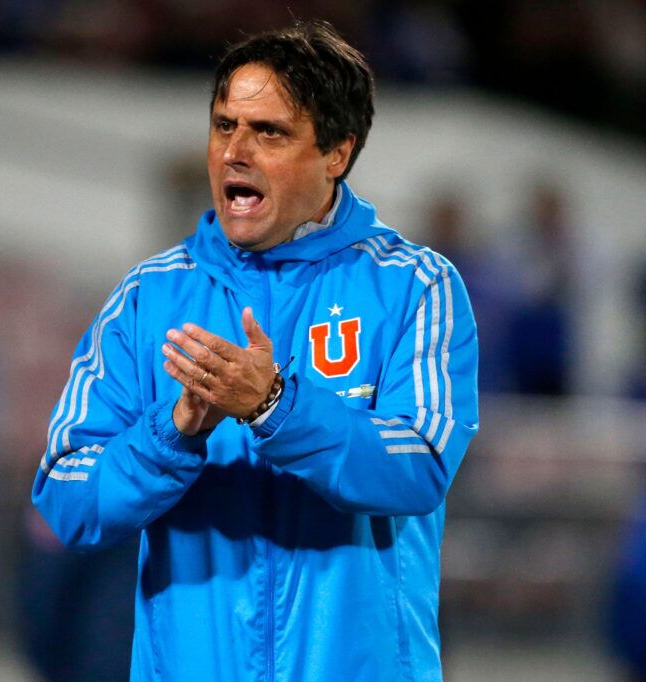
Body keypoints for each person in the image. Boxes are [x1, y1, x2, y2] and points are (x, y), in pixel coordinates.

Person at [32, 20, 479, 681]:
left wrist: (274, 406)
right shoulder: (147, 299)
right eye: (224, 126)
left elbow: (418, 469)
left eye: (269, 132)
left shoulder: (414, 287)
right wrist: (174, 431)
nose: (234, 152)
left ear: (336, 152)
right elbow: (69, 501)